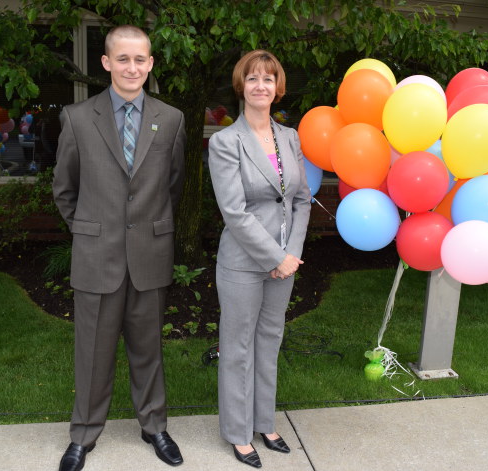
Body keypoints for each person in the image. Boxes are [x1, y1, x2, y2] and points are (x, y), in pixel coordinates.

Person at [52, 25, 186, 471]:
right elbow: (64, 189)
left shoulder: (171, 119)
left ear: (150, 63)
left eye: (140, 59)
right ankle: (83, 434)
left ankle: (154, 426)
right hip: (97, 256)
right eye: (123, 59)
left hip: (150, 254)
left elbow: (172, 185)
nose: (132, 67)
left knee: (149, 349)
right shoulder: (77, 118)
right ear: (106, 62)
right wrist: (89, 230)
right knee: (92, 352)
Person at [208, 50, 311, 468]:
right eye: (252, 78)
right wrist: (275, 256)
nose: (260, 85)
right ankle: (238, 433)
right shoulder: (225, 142)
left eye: (268, 79)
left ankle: (265, 422)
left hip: (285, 262)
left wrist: (292, 254)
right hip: (243, 263)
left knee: (270, 341)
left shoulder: (290, 137)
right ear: (241, 86)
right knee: (237, 348)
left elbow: (302, 199)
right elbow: (234, 211)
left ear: (277, 87)